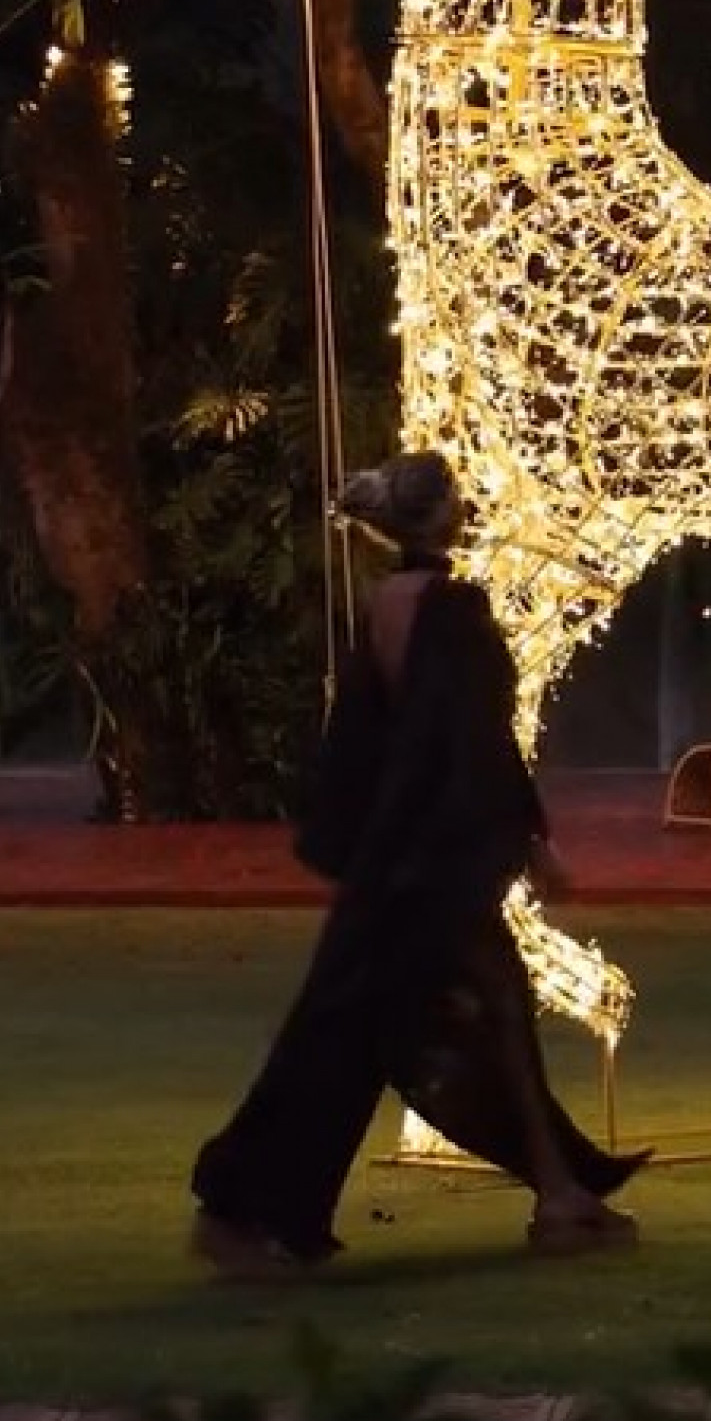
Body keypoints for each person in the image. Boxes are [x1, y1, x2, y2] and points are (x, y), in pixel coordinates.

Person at [190, 450, 646, 1275]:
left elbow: (388, 737)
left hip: (405, 856)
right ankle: (254, 1207)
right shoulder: (450, 610)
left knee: (485, 1007)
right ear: (441, 517)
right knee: (372, 1028)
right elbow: (467, 736)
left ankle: (559, 1193)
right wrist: (527, 842)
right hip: (433, 863)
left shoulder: (385, 604)